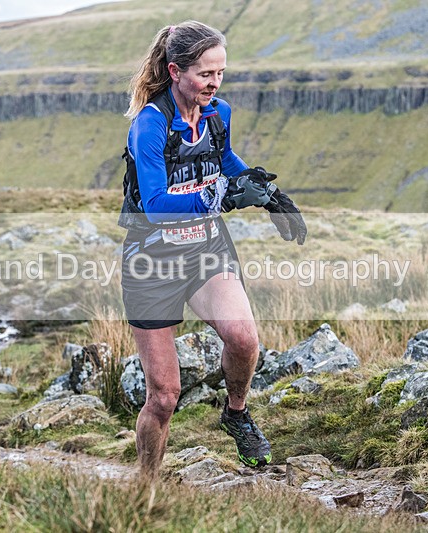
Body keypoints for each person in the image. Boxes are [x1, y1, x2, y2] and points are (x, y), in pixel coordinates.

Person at [119, 21, 307, 478]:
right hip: (152, 262)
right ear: (175, 71)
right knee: (164, 397)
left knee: (243, 339)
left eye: (220, 72)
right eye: (205, 74)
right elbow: (157, 205)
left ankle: (236, 414)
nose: (215, 83)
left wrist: (266, 194)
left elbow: (224, 160)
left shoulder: (218, 113)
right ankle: (146, 487)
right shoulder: (150, 124)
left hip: (206, 250)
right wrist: (220, 196)